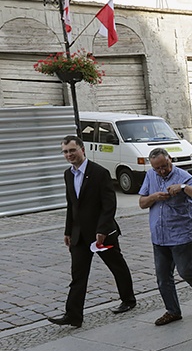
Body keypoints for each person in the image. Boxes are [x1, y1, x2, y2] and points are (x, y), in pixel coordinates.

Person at [48, 136, 136, 328]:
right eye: (65, 152)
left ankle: (128, 300)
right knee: (78, 275)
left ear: (82, 150)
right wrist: (68, 230)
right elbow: (71, 205)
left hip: (101, 234)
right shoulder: (68, 174)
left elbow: (109, 204)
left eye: (72, 150)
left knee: (116, 266)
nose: (69, 155)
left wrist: (102, 230)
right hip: (79, 235)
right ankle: (73, 315)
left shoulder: (99, 172)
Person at [138, 148, 192, 326]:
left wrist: (183, 188)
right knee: (163, 277)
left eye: (164, 166)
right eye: (157, 168)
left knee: (185, 271)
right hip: (159, 235)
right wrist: (153, 197)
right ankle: (172, 310)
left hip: (181, 234)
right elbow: (142, 203)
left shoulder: (183, 176)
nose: (162, 171)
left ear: (170, 160)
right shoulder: (151, 176)